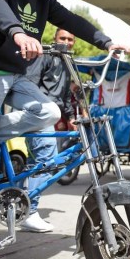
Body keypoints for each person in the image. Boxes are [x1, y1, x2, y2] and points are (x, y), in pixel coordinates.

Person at [0, 0, 130, 228]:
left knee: (49, 112)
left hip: (15, 75)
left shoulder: (43, 0)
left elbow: (73, 20)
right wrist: (18, 33)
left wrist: (107, 42)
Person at [19, 28, 77, 232]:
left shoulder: (67, 62)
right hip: (40, 114)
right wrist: (38, 112)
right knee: (46, 160)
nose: (67, 42)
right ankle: (28, 212)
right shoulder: (44, 56)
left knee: (37, 164)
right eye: (63, 38)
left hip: (55, 117)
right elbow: (29, 86)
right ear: (55, 39)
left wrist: (71, 117)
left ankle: (20, 204)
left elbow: (65, 94)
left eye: (70, 39)